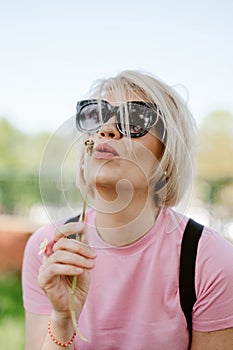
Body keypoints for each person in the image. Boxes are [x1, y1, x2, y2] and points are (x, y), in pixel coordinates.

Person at [22, 70, 233, 350]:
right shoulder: (50, 250)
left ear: (166, 154)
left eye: (135, 119)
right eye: (97, 115)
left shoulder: (209, 260)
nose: (106, 129)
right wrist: (63, 320)